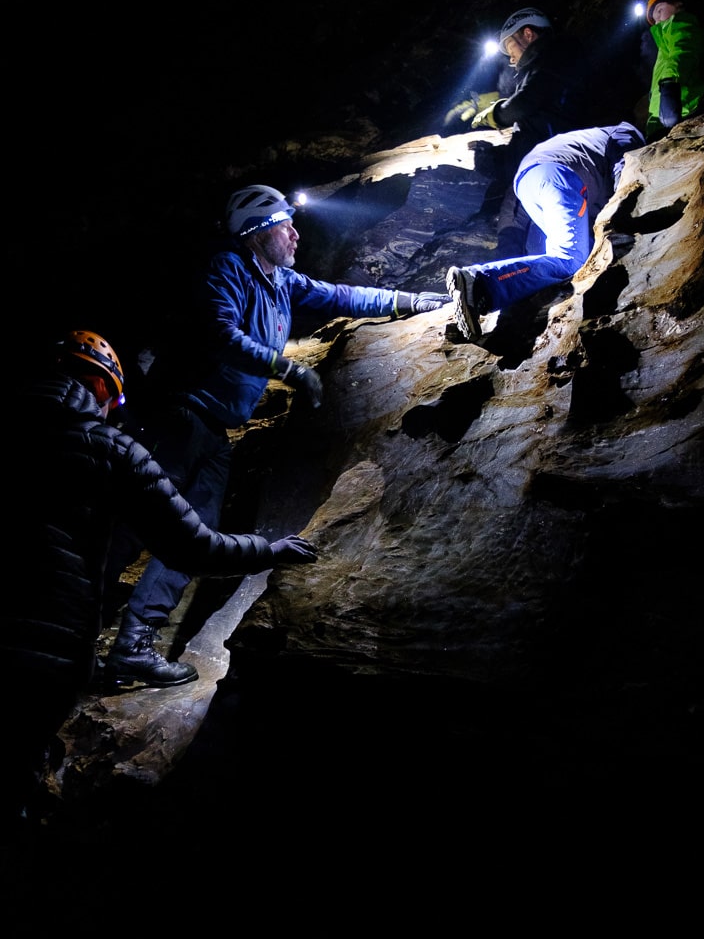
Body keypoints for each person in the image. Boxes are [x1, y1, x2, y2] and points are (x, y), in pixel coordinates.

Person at [104, 184, 450, 689]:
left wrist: (412, 301)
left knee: (191, 540)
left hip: (215, 430)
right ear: (256, 234)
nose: (294, 233)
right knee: (131, 526)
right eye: (284, 226)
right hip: (175, 418)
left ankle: (132, 648)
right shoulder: (227, 268)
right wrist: (288, 369)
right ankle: (67, 622)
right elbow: (220, 334)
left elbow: (343, 296)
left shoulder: (281, 282)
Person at [1, 329, 318, 830]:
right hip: (43, 656)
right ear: (105, 391)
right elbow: (192, 543)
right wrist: (269, 550)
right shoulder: (109, 448)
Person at [445, 121, 646, 341]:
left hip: (530, 182)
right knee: (570, 258)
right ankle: (481, 282)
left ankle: (499, 304)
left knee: (560, 260)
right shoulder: (629, 133)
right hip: (559, 175)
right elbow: (625, 173)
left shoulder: (593, 140)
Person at [462, 7, 592, 258]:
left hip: (545, 165)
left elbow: (526, 109)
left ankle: (508, 283)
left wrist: (495, 117)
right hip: (572, 161)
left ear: (528, 34)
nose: (511, 59)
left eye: (511, 49)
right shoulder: (565, 60)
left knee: (514, 221)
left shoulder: (548, 61)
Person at [641, 0, 704, 141]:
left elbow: (684, 52)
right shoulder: (664, 42)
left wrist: (670, 86)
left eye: (659, 11)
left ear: (678, 4)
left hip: (683, 114)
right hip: (663, 122)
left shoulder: (682, 24)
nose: (656, 21)